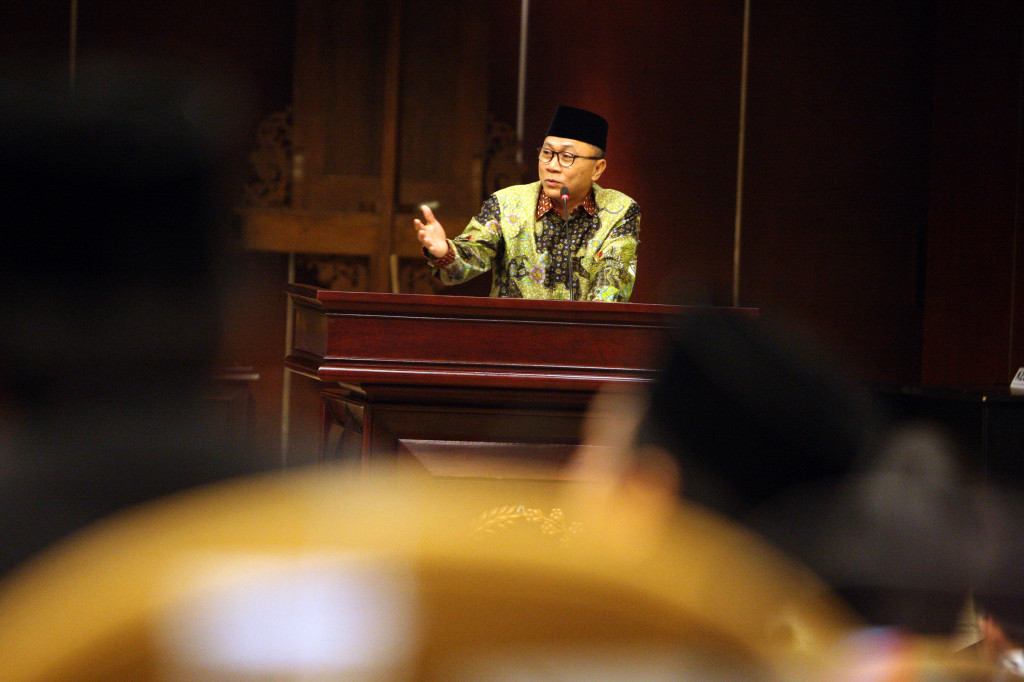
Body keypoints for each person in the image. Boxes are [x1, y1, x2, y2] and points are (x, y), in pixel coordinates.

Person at [414, 105, 641, 302]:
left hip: (584, 342)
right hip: (511, 340)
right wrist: (445, 251)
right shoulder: (506, 202)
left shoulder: (620, 210)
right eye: (547, 153)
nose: (552, 165)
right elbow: (469, 259)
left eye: (567, 157)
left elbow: (613, 283)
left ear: (598, 169)